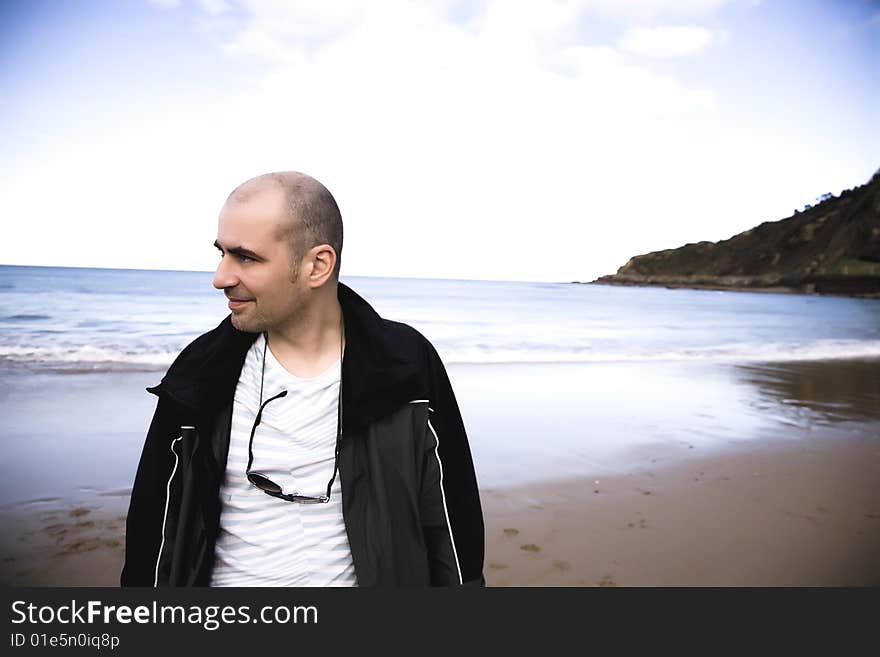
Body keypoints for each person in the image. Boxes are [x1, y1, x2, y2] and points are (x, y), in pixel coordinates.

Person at [121, 172, 484, 587]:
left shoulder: (403, 365)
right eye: (221, 253)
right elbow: (154, 531)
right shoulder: (201, 372)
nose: (220, 277)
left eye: (246, 257)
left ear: (317, 265)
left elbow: (453, 526)